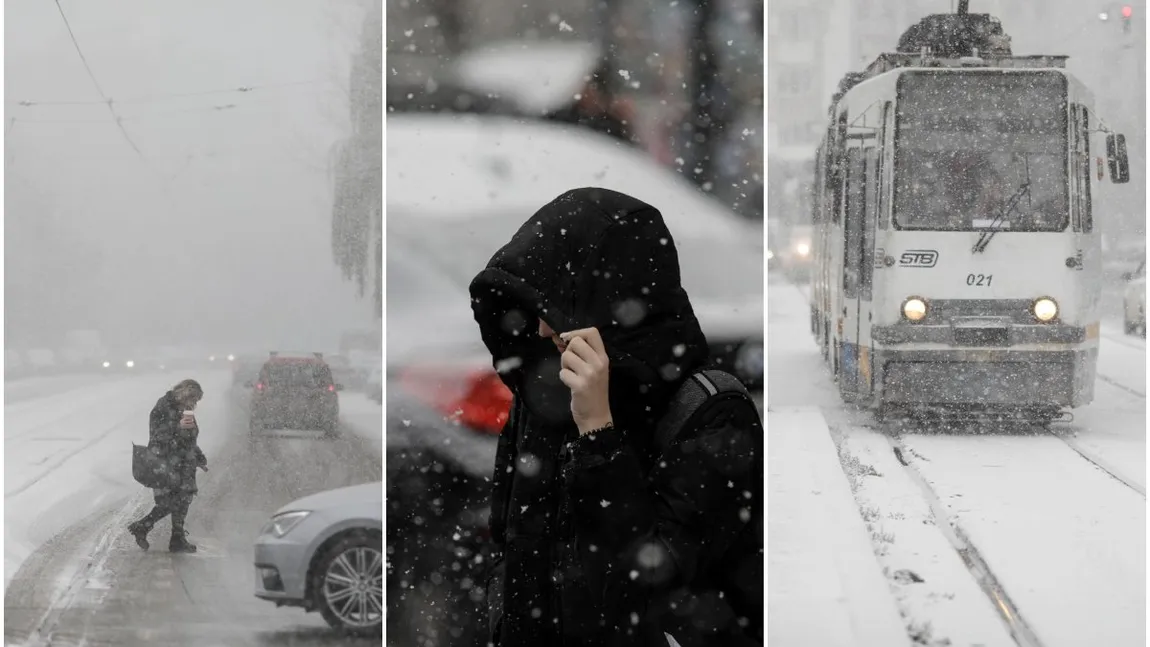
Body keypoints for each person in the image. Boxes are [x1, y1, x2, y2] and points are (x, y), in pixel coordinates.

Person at [470, 187, 763, 647]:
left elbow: (652, 586)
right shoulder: (545, 395)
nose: (543, 328)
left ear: (608, 300)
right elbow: (511, 545)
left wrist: (599, 436)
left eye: (553, 306)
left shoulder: (711, 411)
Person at [127, 378, 208, 553]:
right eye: (193, 399)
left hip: (184, 462)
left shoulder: (182, 409)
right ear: (185, 393)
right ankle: (144, 526)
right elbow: (159, 437)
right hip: (166, 461)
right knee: (169, 502)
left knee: (184, 498)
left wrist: (198, 456)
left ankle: (176, 538)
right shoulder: (164, 407)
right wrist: (178, 427)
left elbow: (189, 438)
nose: (194, 404)